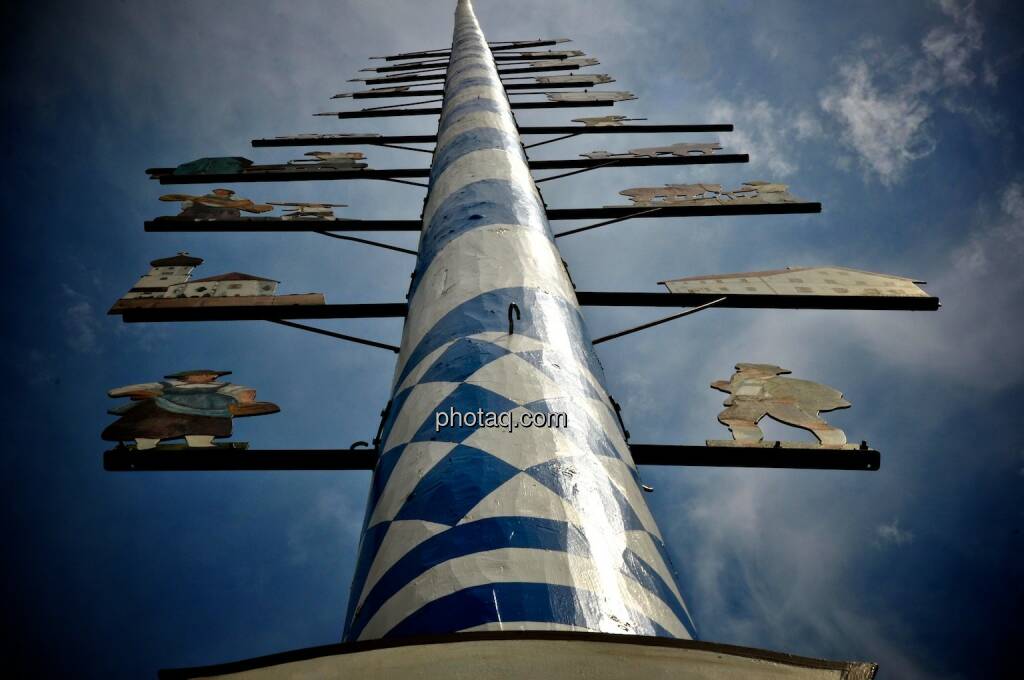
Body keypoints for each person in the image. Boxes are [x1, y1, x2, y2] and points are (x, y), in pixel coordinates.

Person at [102, 370, 279, 449]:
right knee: (150, 426)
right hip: (165, 407)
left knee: (206, 425)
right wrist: (122, 391)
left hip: (211, 410)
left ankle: (200, 443)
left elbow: (240, 391)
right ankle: (144, 444)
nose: (213, 377)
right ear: (191, 375)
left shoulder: (221, 386)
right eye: (210, 375)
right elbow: (147, 386)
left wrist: (244, 398)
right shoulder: (170, 384)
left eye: (213, 376)